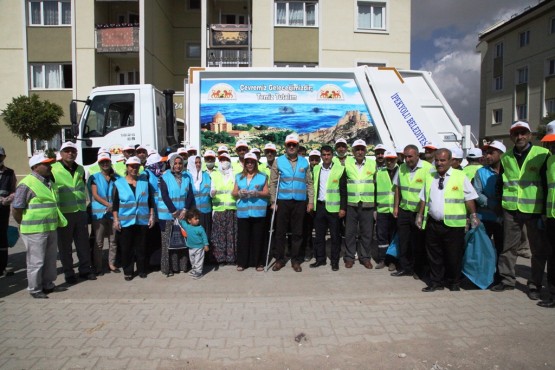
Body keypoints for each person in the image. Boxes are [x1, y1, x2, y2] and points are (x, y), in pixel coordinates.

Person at [491, 121, 550, 302]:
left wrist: (545, 212)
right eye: (516, 134)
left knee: (537, 250)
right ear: (511, 137)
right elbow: (501, 183)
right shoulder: (506, 157)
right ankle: (507, 280)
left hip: (534, 209)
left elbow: (548, 184)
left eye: (523, 133)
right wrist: (501, 207)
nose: (520, 137)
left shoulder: (542, 154)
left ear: (530, 135)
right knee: (508, 247)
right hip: (511, 209)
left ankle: (534, 284)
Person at [417, 148, 479, 292]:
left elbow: (469, 198)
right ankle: (435, 282)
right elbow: (424, 198)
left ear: (451, 161)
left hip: (454, 225)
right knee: (434, 255)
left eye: (443, 160)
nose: (439, 163)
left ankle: (453, 282)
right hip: (433, 222)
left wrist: (473, 215)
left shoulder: (460, 176)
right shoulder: (430, 176)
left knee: (453, 255)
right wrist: (419, 215)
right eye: (437, 160)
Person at [12, 153, 67, 298]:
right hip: (34, 230)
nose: (49, 166)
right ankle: (35, 289)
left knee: (50, 259)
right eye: (46, 164)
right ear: (36, 167)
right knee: (36, 261)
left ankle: (48, 285)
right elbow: (17, 208)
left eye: (49, 163)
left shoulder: (49, 183)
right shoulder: (26, 184)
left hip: (50, 228)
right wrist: (21, 223)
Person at [51, 141, 96, 284]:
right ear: (61, 153)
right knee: (65, 246)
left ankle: (85, 270)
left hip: (80, 212)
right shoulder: (53, 169)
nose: (70, 153)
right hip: (64, 213)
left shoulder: (80, 169)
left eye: (73, 151)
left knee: (82, 244)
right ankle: (69, 273)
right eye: (67, 151)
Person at [269, 133, 314, 272]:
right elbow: (273, 183)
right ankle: (279, 260)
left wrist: (310, 202)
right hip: (283, 202)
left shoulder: (304, 162)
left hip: (300, 202)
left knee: (298, 233)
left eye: (294, 145)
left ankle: (296, 260)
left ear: (298, 146)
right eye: (289, 145)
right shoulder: (279, 161)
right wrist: (273, 201)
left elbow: (309, 183)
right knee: (280, 232)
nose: (292, 147)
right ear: (285, 146)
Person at [392, 144, 433, 278]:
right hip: (404, 210)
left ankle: (418, 269)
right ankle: (405, 267)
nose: (407, 159)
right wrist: (396, 207)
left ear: (417, 155)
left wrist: (421, 214)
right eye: (405, 156)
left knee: (418, 242)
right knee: (403, 241)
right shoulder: (402, 168)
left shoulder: (427, 168)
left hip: (418, 212)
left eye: (410, 156)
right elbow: (397, 188)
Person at [112, 156, 155, 281]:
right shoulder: (119, 183)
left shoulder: (144, 182)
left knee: (141, 247)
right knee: (127, 248)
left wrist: (151, 216)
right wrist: (115, 219)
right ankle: (128, 271)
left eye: (137, 166)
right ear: (127, 167)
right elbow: (115, 204)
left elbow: (150, 201)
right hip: (125, 222)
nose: (134, 169)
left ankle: (142, 269)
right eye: (132, 166)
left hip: (142, 220)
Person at [473, 140, 505, 284]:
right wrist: (492, 205)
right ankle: (484, 276)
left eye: (491, 153)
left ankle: (500, 276)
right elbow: (477, 192)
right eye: (486, 153)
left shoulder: (508, 171)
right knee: (484, 249)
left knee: (502, 249)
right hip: (486, 217)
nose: (487, 156)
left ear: (501, 154)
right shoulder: (481, 172)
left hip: (504, 218)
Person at [310, 145, 346, 271]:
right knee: (319, 236)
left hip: (334, 209)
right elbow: (312, 187)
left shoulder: (340, 169)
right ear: (321, 156)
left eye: (328, 154)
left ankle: (334, 261)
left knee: (335, 237)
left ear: (332, 155)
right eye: (324, 155)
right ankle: (320, 259)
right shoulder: (316, 169)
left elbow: (343, 190)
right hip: (319, 207)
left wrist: (343, 208)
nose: (326, 157)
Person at [158, 154, 195, 276]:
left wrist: (184, 209)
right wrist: (173, 211)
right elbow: (165, 195)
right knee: (167, 243)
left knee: (182, 242)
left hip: (182, 215)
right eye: (176, 163)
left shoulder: (186, 177)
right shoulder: (165, 177)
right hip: (168, 215)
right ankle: (167, 268)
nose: (178, 166)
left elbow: (190, 195)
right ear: (171, 164)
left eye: (180, 163)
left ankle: (182, 266)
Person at [232, 152, 269, 271]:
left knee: (258, 238)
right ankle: (242, 262)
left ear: (256, 163)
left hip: (258, 212)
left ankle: (258, 262)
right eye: (247, 162)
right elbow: (233, 192)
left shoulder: (263, 176)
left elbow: (267, 193)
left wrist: (257, 193)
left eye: (252, 162)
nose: (249, 164)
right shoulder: (239, 176)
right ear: (245, 163)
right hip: (243, 212)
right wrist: (239, 193)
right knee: (243, 238)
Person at [344, 139, 376, 269]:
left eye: (362, 149)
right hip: (351, 204)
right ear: (353, 151)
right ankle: (349, 257)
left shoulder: (372, 164)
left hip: (367, 204)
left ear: (365, 151)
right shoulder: (347, 163)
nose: (360, 151)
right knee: (350, 232)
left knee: (367, 232)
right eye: (357, 149)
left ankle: (365, 257)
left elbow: (377, 183)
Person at [87, 152, 119, 275]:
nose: (105, 164)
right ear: (99, 164)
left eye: (107, 161)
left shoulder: (116, 177)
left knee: (113, 240)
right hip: (100, 213)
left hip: (113, 213)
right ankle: (98, 266)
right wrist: (108, 204)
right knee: (99, 242)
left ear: (110, 162)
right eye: (102, 162)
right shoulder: (95, 177)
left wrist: (114, 206)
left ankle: (111, 264)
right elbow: (95, 195)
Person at [539, 120, 555, 308]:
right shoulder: (549, 160)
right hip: (552, 217)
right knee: (552, 257)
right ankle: (552, 295)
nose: (551, 145)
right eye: (549, 142)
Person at [210, 152, 238, 264]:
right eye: (221, 159)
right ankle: (220, 258)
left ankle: (231, 258)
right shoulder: (215, 174)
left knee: (231, 234)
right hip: (219, 209)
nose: (224, 161)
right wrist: (212, 193)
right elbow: (211, 191)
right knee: (219, 235)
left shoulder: (235, 174)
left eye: (226, 159)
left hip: (232, 209)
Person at [375, 149, 399, 270]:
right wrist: (375, 209)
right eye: (387, 159)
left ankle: (393, 261)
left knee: (394, 236)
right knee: (381, 236)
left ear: (396, 159)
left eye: (392, 159)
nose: (389, 162)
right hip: (382, 209)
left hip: (396, 210)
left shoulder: (401, 171)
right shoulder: (380, 172)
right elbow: (375, 191)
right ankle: (382, 259)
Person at [143, 153, 166, 271]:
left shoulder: (159, 175)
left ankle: (157, 262)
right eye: (160, 163)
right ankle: (149, 263)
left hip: (160, 211)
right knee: (149, 238)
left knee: (158, 238)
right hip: (150, 212)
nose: (162, 165)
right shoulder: (146, 174)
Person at [179, 209, 209, 279]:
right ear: (189, 220)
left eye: (198, 218)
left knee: (198, 261)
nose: (198, 220)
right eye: (196, 219)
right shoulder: (187, 226)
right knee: (192, 260)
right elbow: (181, 221)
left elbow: (204, 237)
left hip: (199, 248)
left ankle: (198, 272)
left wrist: (206, 245)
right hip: (190, 247)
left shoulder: (200, 228)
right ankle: (194, 270)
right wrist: (178, 215)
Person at [0, 146, 16, 276]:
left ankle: (2, 267)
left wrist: (8, 199)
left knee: (2, 239)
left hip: (3, 211)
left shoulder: (9, 173)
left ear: (4, 157)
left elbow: (14, 190)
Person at [194, 153, 214, 240]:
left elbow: (211, 190)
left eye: (199, 162)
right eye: (196, 162)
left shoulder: (206, 175)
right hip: (194, 212)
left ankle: (207, 253)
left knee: (206, 235)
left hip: (206, 212)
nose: (198, 164)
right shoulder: (188, 176)